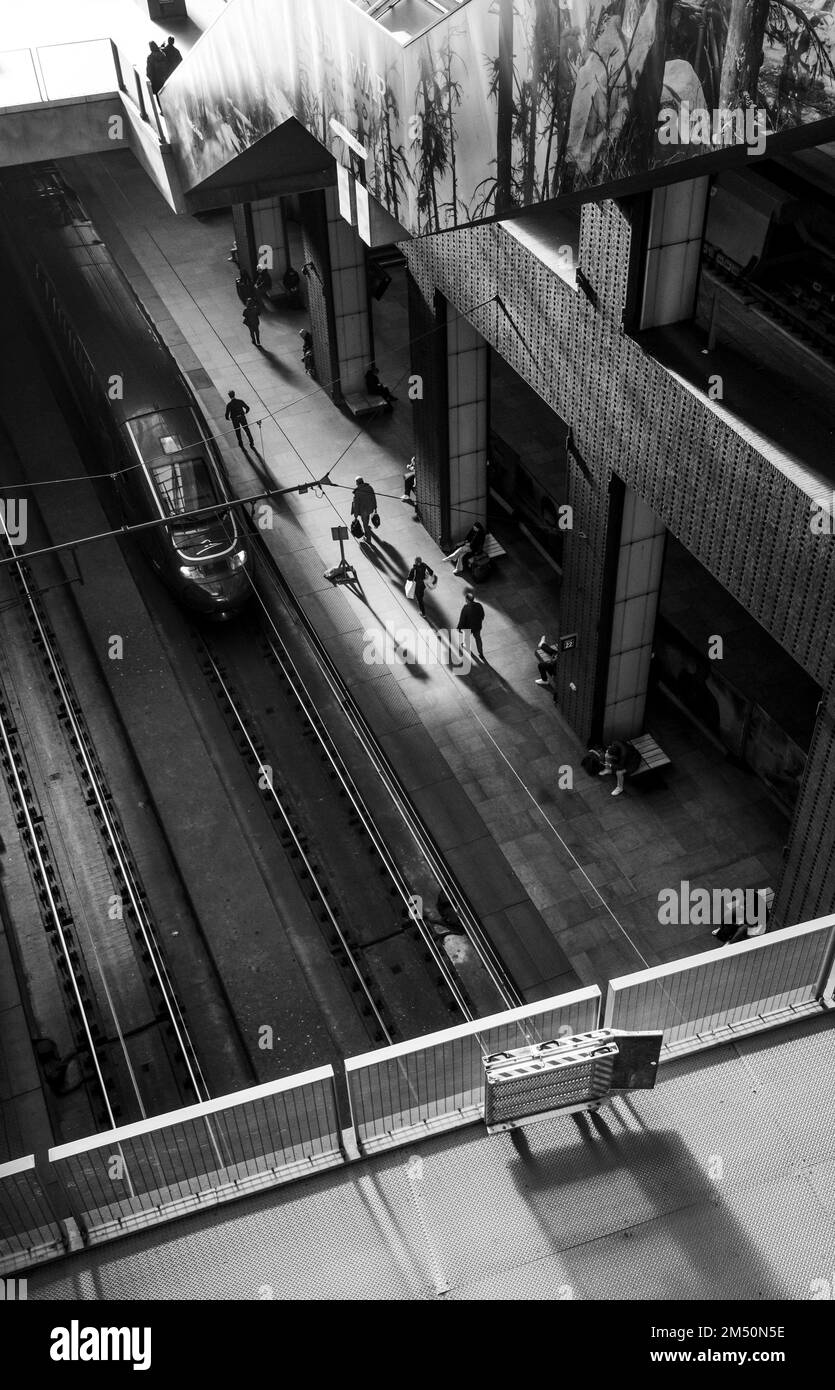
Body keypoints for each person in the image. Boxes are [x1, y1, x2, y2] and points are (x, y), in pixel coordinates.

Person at [458, 589, 485, 660]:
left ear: (467, 600)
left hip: (468, 627)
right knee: (478, 639)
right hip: (477, 627)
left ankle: (465, 645)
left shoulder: (466, 608)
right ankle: (481, 653)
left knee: (466, 637)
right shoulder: (479, 605)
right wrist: (479, 622)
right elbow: (482, 615)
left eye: (466, 599)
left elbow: (462, 619)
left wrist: (459, 627)